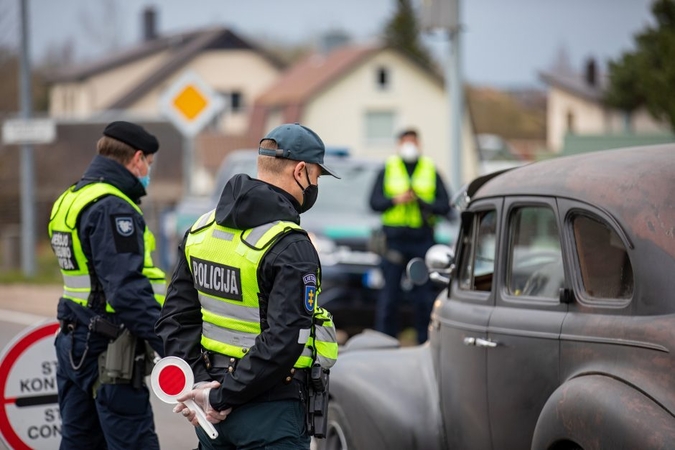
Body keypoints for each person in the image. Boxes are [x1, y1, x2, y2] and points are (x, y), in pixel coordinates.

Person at [155, 123, 339, 450]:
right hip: (272, 412)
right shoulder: (290, 246)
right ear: (300, 171)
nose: (314, 185)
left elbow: (174, 319)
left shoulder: (201, 230)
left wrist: (202, 387)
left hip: (211, 411)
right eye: (316, 176)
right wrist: (219, 396)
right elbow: (284, 341)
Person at [48, 121, 166, 450]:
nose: (148, 173)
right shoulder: (113, 208)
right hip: (109, 351)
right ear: (137, 158)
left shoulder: (71, 198)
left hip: (73, 341)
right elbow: (127, 291)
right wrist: (171, 345)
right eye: (149, 165)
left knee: (79, 442)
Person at [368, 128, 452, 344]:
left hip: (422, 241)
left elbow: (445, 206)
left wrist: (422, 202)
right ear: (398, 144)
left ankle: (425, 342)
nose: (409, 146)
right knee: (389, 298)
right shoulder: (388, 169)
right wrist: (395, 200)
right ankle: (385, 342)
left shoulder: (430, 169)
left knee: (423, 299)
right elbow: (374, 202)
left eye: (412, 142)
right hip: (394, 243)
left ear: (419, 144)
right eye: (405, 142)